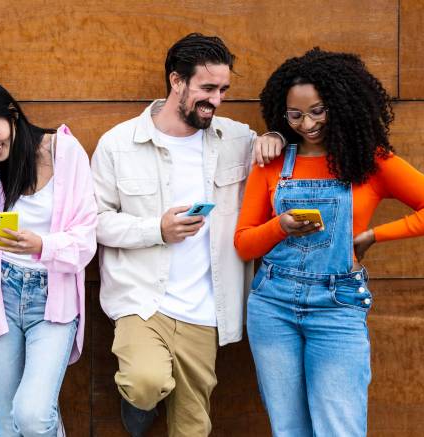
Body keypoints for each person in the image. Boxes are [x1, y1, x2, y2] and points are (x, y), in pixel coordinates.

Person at [234, 48, 424, 437]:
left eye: (318, 111)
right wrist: (281, 227)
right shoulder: (272, 162)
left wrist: (373, 236)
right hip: (272, 304)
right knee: (288, 430)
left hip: (337, 306)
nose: (307, 124)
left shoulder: (369, 161)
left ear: (340, 105)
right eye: (295, 115)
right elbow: (244, 245)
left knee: (340, 429)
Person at [90, 33, 285, 436]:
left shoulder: (236, 138)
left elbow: (286, 151)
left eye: (223, 90)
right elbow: (96, 221)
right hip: (143, 299)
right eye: (207, 88)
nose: (216, 99)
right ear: (177, 81)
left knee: (193, 426)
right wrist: (155, 229)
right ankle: (140, 404)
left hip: (206, 307)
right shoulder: (119, 143)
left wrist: (277, 137)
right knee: (145, 383)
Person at [0, 80, 97, 437]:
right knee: (7, 423)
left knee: (32, 414)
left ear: (11, 115)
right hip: (1, 294)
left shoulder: (63, 149)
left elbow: (86, 237)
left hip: (52, 299)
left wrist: (40, 244)